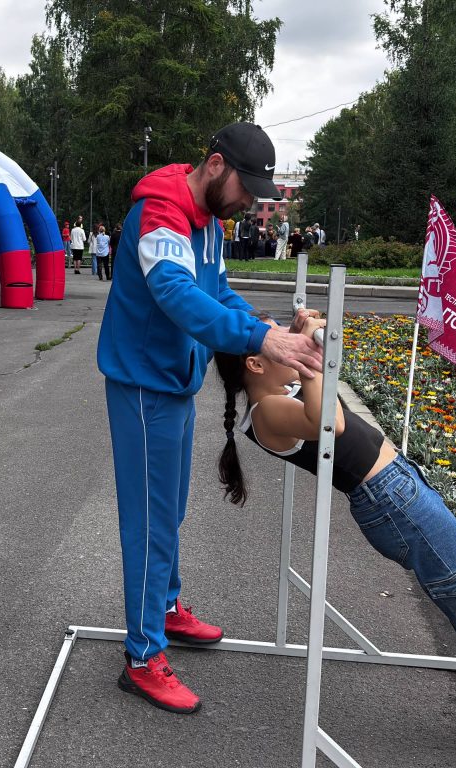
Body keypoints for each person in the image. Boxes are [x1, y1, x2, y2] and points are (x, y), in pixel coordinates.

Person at [212, 313, 456, 761]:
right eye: (282, 344)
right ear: (256, 364)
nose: (295, 347)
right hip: (394, 502)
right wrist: (309, 351)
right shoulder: (266, 412)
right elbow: (332, 424)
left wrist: (295, 333)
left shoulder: (277, 394)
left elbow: (316, 401)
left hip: (398, 494)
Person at [97, 122, 322, 714]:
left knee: (168, 509)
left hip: (172, 383)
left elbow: (216, 292)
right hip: (143, 388)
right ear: (216, 165)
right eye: (247, 188)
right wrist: (258, 338)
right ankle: (142, 657)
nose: (250, 201)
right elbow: (174, 293)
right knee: (147, 521)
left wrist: (267, 327)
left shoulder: (211, 225)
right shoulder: (161, 214)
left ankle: (164, 610)